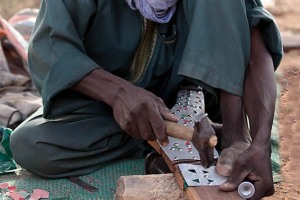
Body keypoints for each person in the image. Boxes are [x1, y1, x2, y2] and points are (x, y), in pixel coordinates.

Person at [10, 0, 283, 199]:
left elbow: (256, 46)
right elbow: (50, 48)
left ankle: (232, 137)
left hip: (190, 92)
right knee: (30, 144)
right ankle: (168, 136)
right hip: (106, 103)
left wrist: (258, 143)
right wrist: (118, 94)